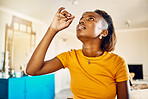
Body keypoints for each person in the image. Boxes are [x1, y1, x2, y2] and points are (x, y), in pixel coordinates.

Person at [26, 7, 131, 99]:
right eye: (81, 19)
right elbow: (32, 70)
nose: (81, 21)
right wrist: (53, 29)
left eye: (90, 18)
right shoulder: (70, 57)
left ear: (103, 32)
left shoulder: (118, 62)